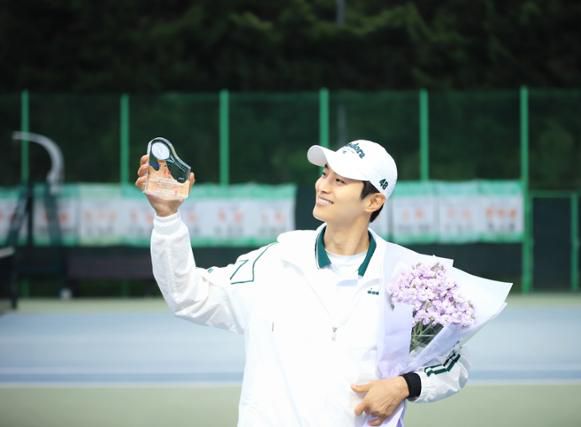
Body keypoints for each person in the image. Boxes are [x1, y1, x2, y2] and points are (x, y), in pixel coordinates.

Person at [135, 140, 469, 427]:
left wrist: (404, 386)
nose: (323, 186)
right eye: (324, 174)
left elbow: (452, 363)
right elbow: (189, 296)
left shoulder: (407, 278)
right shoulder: (276, 260)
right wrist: (167, 217)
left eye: (340, 180)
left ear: (373, 201)